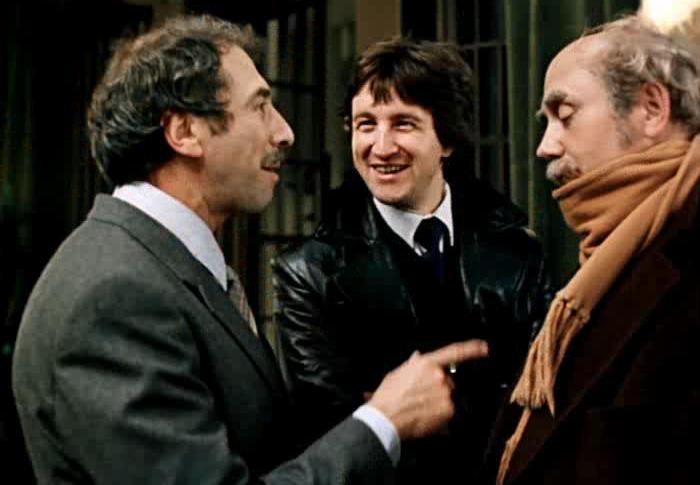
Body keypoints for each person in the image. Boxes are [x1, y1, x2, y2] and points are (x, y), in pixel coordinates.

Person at [11, 15, 490, 485]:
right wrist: (383, 423)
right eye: (260, 106)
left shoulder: (166, 266)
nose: (285, 132)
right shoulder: (115, 296)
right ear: (184, 132)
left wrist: (367, 414)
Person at [272, 38, 551, 484]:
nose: (381, 147)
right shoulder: (308, 273)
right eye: (366, 124)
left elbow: (540, 398)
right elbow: (333, 435)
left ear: (447, 139)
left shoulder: (520, 252)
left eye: (403, 124)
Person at [490, 15, 700, 485]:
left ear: (651, 109)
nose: (545, 147)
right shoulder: (604, 263)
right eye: (546, 123)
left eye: (564, 115)